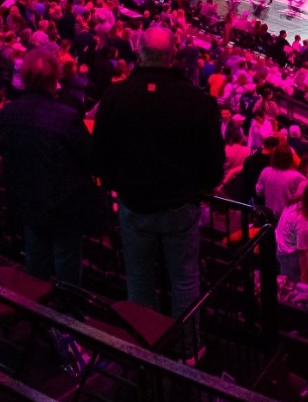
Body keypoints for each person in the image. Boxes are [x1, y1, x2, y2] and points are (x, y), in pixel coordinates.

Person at [92, 27, 223, 319]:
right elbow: (214, 162)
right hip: (181, 206)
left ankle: (143, 346)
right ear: (173, 56)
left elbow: (99, 153)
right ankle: (188, 352)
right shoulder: (196, 100)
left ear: (138, 54)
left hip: (134, 202)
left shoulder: (115, 96)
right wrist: (198, 189)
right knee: (185, 280)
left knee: (138, 279)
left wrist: (119, 184)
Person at [0, 48, 98, 286]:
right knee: (66, 267)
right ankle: (66, 317)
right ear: (55, 79)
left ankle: (38, 315)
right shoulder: (66, 116)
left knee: (35, 263)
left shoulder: (10, 111)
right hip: (63, 205)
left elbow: (6, 152)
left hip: (27, 198)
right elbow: (89, 156)